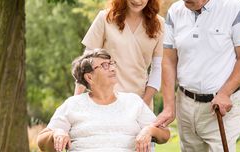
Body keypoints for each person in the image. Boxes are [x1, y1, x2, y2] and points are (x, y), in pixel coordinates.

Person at [154, 0, 240, 152]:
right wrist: (169, 106)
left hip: (220, 107)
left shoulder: (234, 8)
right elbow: (168, 60)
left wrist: (225, 93)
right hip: (186, 104)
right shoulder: (175, 11)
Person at [37, 49, 170, 152]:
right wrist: (57, 132)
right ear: (89, 77)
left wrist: (149, 130)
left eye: (112, 64)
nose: (112, 68)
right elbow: (42, 142)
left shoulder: (133, 102)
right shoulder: (73, 104)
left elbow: (165, 134)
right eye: (104, 65)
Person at [75, 0, 164, 107]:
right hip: (103, 100)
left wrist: (144, 103)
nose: (137, 0)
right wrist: (76, 100)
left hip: (139, 102)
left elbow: (157, 69)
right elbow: (86, 63)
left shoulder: (160, 25)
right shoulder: (105, 18)